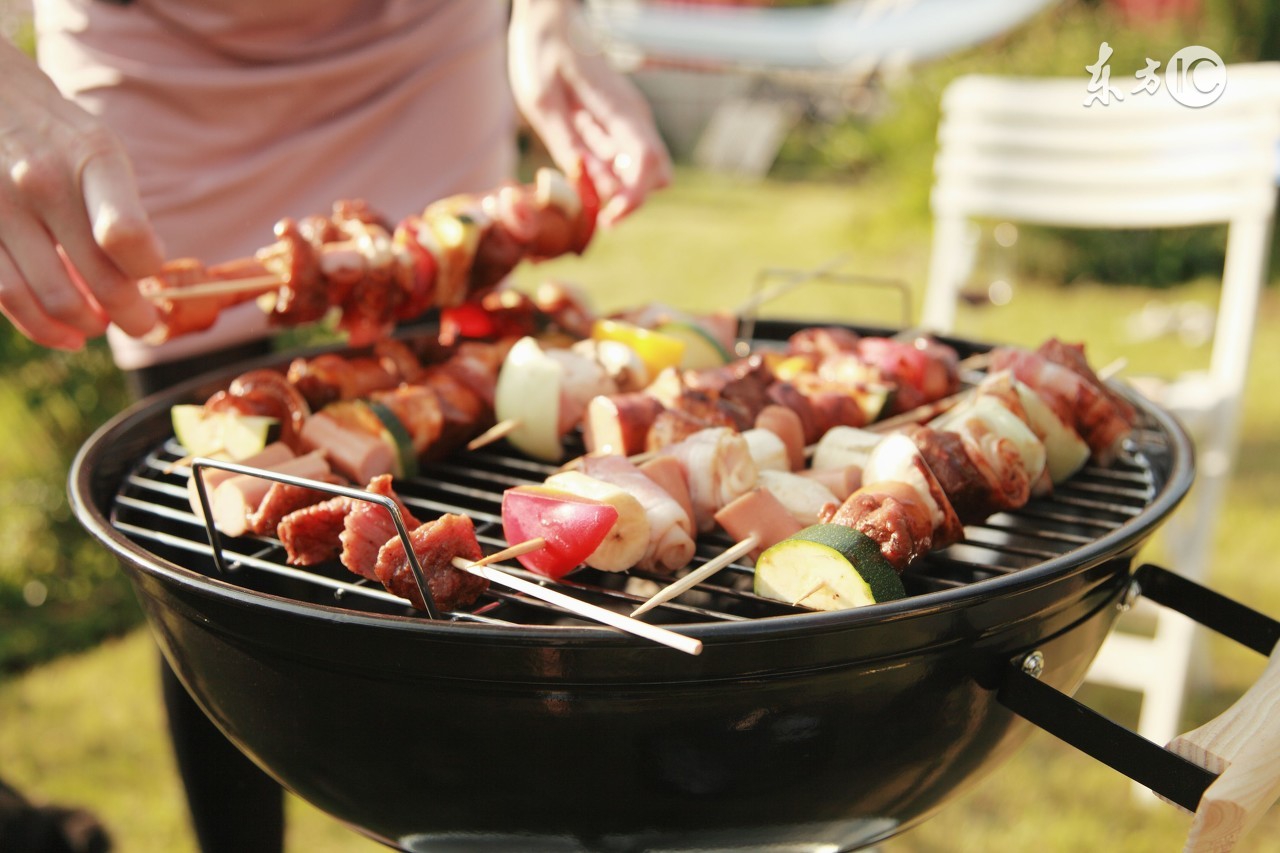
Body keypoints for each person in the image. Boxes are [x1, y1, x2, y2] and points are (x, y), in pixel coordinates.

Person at [0, 1, 671, 851]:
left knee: (466, 376)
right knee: (210, 560)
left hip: (414, 32)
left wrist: (545, 12)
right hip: (156, 51)